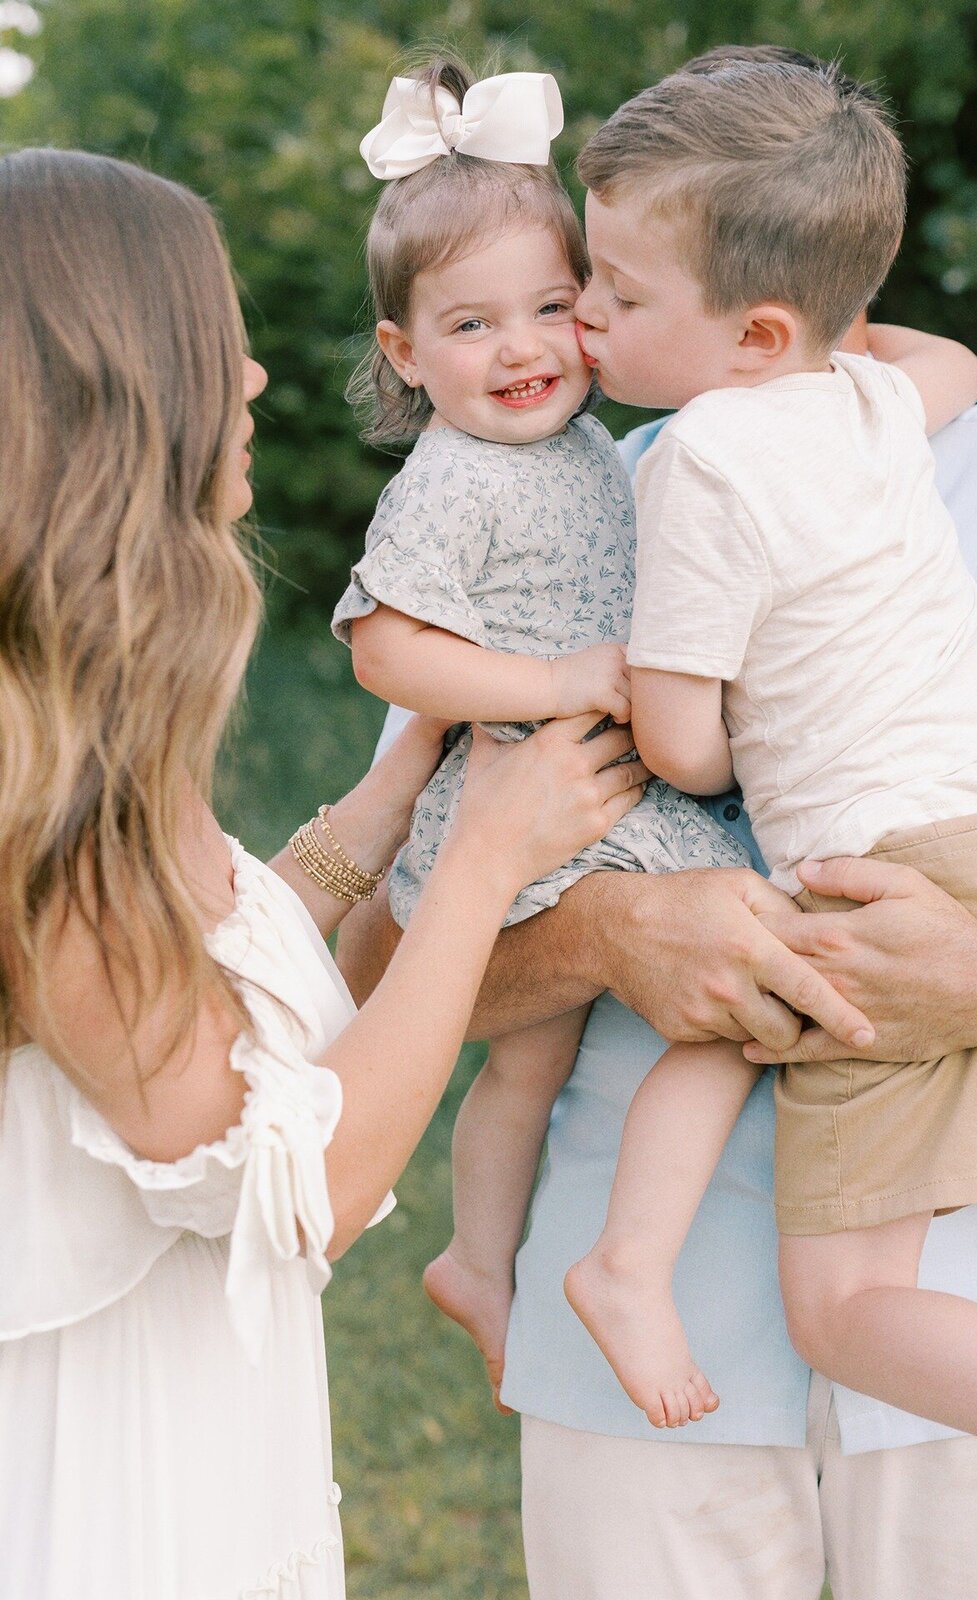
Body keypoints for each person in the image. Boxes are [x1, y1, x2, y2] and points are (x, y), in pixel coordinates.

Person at [338, 58, 977, 1600]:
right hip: (646, 1399)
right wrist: (606, 932)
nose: (580, 322)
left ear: (759, 297)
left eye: (607, 284)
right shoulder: (555, 510)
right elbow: (379, 959)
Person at [0, 146, 648, 1600]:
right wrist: (480, 863)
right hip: (101, 1503)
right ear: (118, 382)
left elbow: (198, 988)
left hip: (208, 1452)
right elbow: (301, 1187)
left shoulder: (81, 716)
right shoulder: (26, 777)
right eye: (213, 340)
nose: (251, 381)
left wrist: (398, 779)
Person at [330, 57, 748, 1407]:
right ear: (403, 353)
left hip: (579, 786)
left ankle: (479, 1259)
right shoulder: (454, 477)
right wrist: (556, 674)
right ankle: (628, 1261)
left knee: (531, 1060)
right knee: (734, 978)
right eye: (470, 325)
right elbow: (382, 646)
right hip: (538, 795)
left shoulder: (582, 447)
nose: (520, 350)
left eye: (552, 309)